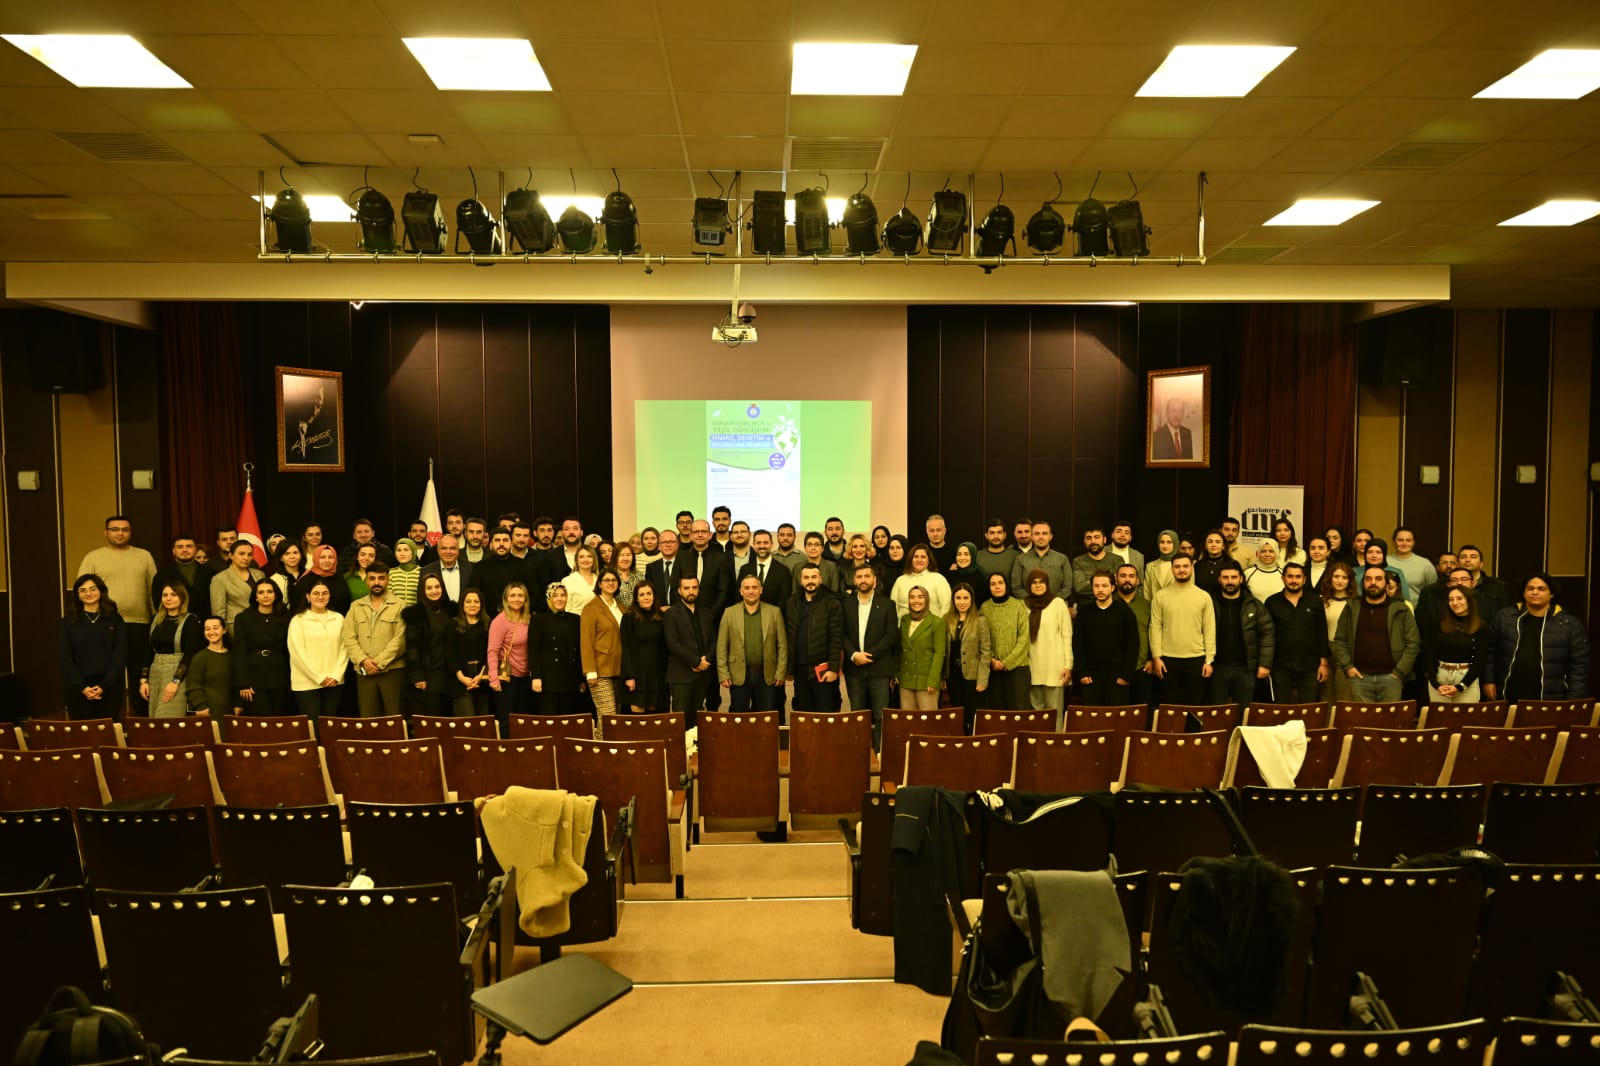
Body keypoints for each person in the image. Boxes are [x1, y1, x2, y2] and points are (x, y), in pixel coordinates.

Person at [77, 514, 157, 715]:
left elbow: (153, 591)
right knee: (110, 672)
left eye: (125, 529)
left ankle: (141, 720)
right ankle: (112, 720)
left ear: (130, 532)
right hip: (104, 624)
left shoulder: (144, 556)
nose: (120, 533)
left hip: (140, 623)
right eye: (115, 529)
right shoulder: (93, 558)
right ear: (106, 533)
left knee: (140, 673)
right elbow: (82, 590)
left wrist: (156, 619)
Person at [1488, 572, 1591, 701]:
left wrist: (1574, 698)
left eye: (1541, 589)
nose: (1535, 592)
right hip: (1508, 694)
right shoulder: (1504, 617)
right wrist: (1488, 681)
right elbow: (1489, 652)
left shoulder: (1569, 624)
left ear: (1551, 594)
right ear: (1524, 593)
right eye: (1530, 588)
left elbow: (1580, 666)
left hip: (1552, 697)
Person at [1331, 565, 1420, 703]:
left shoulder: (1401, 609)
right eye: (1368, 579)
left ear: (1386, 584)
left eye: (1378, 579)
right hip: (1359, 677)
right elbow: (1340, 640)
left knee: (1390, 717)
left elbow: (1413, 644)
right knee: (1362, 716)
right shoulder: (1351, 607)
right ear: (1363, 583)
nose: (1373, 582)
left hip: (1392, 678)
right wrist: (1348, 667)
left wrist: (1399, 672)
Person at [341, 561, 408, 717]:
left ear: (388, 580)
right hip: (364, 671)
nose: (377, 582)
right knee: (368, 717)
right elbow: (348, 637)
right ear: (366, 581)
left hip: (392, 671)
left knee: (393, 718)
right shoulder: (356, 606)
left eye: (381, 578)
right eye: (372, 578)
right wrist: (363, 661)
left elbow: (401, 639)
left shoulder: (400, 605)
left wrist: (378, 663)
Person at [843, 562, 900, 744]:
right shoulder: (845, 603)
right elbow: (840, 633)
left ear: (875, 580)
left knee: (880, 715)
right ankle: (858, 752)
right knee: (858, 715)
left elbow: (891, 635)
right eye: (859, 577)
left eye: (867, 576)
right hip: (854, 668)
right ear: (854, 581)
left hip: (879, 668)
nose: (863, 580)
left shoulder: (887, 604)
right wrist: (854, 655)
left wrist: (869, 655)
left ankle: (880, 752)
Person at [59, 573, 128, 719]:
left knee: (108, 730)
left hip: (110, 687)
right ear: (77, 595)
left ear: (101, 591)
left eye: (93, 589)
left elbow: (120, 654)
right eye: (82, 590)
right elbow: (64, 656)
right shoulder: (69, 621)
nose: (88, 593)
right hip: (78, 688)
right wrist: (81, 686)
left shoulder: (115, 619)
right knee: (83, 731)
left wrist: (105, 685)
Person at [716, 574, 787, 712]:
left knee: (765, 716)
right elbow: (722, 646)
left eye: (754, 587)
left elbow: (782, 645)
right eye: (747, 588)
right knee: (739, 716)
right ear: (741, 591)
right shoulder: (729, 613)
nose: (751, 591)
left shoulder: (774, 612)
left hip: (767, 674)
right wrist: (723, 673)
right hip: (738, 674)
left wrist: (780, 672)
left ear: (761, 590)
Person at [1149, 555, 1215, 705]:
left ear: (1192, 568)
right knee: (1170, 707)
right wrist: (1156, 657)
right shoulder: (1161, 596)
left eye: (1185, 566)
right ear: (1172, 569)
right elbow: (1155, 628)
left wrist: (1209, 660)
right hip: (1167, 660)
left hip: (1197, 660)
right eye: (1177, 567)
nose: (1181, 570)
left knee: (1195, 708)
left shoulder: (1203, 596)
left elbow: (1209, 629)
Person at [1209, 561, 1274, 709]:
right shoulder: (1209, 604)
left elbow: (1267, 635)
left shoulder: (1254, 605)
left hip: (1245, 669)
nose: (1230, 581)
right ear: (1219, 579)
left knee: (1244, 712)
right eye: (1225, 577)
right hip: (1217, 668)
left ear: (1241, 579)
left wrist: (1264, 664)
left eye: (1234, 577)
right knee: (1216, 713)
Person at [1263, 563, 1329, 704]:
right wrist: (1266, 664)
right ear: (1283, 578)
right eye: (1290, 576)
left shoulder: (1315, 601)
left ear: (1304, 580)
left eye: (1298, 577)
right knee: (1280, 709)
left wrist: (1323, 664)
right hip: (1280, 665)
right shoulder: (1272, 602)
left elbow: (1322, 633)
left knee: (1308, 708)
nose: (1294, 580)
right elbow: (1266, 635)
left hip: (1310, 665)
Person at [1072, 570, 1139, 708]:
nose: (1100, 589)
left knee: (1116, 717)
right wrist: (1082, 672)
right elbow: (1077, 645)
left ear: (1112, 587)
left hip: (1118, 675)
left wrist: (1126, 674)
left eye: (1104, 585)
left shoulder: (1125, 612)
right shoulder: (1084, 613)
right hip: (1090, 676)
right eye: (1096, 586)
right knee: (1093, 717)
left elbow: (1133, 645)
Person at [140, 581, 203, 719]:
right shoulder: (156, 619)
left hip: (176, 672)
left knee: (167, 718)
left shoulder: (190, 620)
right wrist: (143, 680)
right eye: (165, 595)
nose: (168, 598)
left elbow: (190, 654)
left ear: (182, 598)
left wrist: (175, 681)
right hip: (155, 672)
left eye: (173, 595)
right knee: (154, 719)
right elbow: (148, 650)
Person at [287, 578, 348, 720]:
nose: (320, 597)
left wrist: (336, 675)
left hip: (334, 682)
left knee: (330, 724)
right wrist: (319, 678)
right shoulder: (298, 620)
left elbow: (345, 649)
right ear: (308, 596)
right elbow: (298, 654)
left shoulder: (339, 618)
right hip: (306, 683)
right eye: (316, 593)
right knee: (312, 725)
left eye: (325, 593)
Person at [787, 563, 844, 713]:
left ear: (821, 579)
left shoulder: (832, 603)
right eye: (806, 577)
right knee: (804, 713)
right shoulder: (792, 602)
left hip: (823, 669)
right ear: (800, 581)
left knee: (826, 713)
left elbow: (836, 638)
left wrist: (833, 669)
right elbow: (789, 635)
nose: (810, 581)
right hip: (800, 669)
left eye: (814, 577)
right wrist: (789, 668)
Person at [1421, 586, 1490, 704]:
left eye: (1459, 598)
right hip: (1440, 676)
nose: (1455, 602)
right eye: (1451, 599)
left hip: (1466, 678)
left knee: (1465, 715)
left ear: (1469, 600)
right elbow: (1430, 654)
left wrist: (1461, 686)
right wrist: (1435, 683)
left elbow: (1480, 660)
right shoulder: (1439, 625)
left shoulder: (1481, 627)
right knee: (1440, 716)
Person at [234, 578, 293, 715]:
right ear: (255, 596)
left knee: (280, 718)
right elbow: (239, 652)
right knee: (261, 719)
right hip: (254, 675)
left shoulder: (287, 617)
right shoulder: (243, 618)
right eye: (261, 592)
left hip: (280, 674)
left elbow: (290, 650)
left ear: (276, 595)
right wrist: (243, 683)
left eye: (269, 592)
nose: (265, 595)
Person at [663, 574, 714, 727]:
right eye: (686, 588)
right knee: (680, 720)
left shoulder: (705, 612)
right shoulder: (671, 613)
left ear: (698, 589)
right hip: (681, 675)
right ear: (679, 591)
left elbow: (713, 640)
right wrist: (696, 662)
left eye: (694, 587)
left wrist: (706, 660)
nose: (690, 591)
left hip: (703, 674)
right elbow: (673, 644)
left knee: (698, 720)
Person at [403, 573, 457, 718]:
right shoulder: (416, 614)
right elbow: (412, 649)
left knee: (450, 720)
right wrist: (418, 677)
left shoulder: (452, 610)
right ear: (422, 590)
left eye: (437, 587)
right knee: (431, 719)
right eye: (429, 588)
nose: (434, 591)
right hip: (428, 674)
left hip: (451, 674)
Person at [1024, 569, 1073, 726]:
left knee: (1055, 714)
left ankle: (1056, 741)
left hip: (1054, 667)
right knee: (1036, 715)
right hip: (1032, 666)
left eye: (1041, 582)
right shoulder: (1023, 605)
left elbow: (1067, 635)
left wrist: (1068, 665)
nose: (1038, 585)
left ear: (1047, 584)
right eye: (1034, 582)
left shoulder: (1058, 603)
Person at [980, 570, 1031, 711]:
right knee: (998, 713)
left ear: (1006, 585)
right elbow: (981, 638)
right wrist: (992, 660)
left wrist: (1007, 662)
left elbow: (1024, 638)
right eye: (993, 584)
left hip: (1017, 668)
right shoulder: (984, 608)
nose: (997, 587)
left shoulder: (1018, 606)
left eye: (1000, 583)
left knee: (1017, 712)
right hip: (993, 669)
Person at [530, 584, 584, 715]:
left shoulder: (575, 619)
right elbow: (534, 650)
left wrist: (581, 679)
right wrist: (536, 677)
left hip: (570, 679)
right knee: (549, 720)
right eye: (555, 595)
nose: (559, 599)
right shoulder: (539, 619)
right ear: (548, 597)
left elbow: (579, 650)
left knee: (567, 720)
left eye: (563, 595)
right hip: (548, 680)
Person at [581, 569, 627, 723]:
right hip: (600, 671)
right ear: (599, 584)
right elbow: (586, 641)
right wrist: (590, 671)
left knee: (616, 717)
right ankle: (602, 740)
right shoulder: (591, 608)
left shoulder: (621, 606)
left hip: (620, 669)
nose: (611, 583)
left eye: (614, 580)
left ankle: (605, 739)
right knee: (608, 717)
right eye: (607, 580)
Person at [944, 583, 991, 732]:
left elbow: (986, 652)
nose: (962, 602)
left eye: (966, 598)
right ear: (953, 600)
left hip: (972, 678)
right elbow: (944, 650)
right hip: (953, 676)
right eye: (958, 598)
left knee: (972, 716)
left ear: (971, 600)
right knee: (957, 716)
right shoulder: (946, 620)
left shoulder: (980, 621)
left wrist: (982, 679)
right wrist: (942, 676)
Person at [487, 582, 534, 729]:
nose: (516, 599)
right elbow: (492, 651)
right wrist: (494, 678)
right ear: (506, 599)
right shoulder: (500, 621)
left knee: (522, 721)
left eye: (520, 595)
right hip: (506, 678)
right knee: (507, 722)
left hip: (525, 677)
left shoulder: (529, 619)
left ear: (525, 599)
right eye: (512, 595)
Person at [897, 586, 947, 711]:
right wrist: (896, 673)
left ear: (927, 600)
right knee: (908, 719)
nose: (916, 601)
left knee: (927, 721)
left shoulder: (937, 622)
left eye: (920, 597)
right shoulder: (904, 620)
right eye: (912, 597)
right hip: (906, 680)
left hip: (926, 682)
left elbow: (939, 653)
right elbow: (900, 648)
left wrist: (933, 681)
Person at [621, 582, 668, 713]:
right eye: (642, 595)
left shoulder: (661, 616)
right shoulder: (629, 617)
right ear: (636, 598)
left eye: (649, 594)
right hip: (636, 674)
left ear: (654, 596)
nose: (646, 597)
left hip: (656, 674)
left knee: (654, 716)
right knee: (638, 715)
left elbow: (664, 647)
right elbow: (626, 647)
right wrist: (629, 676)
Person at [444, 588, 490, 717]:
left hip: (482, 678)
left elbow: (490, 652)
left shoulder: (487, 624)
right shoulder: (453, 625)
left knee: (482, 721)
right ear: (462, 604)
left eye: (476, 601)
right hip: (459, 678)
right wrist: (461, 678)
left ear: (481, 604)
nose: (472, 605)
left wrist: (481, 676)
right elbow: (450, 654)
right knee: (467, 720)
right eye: (468, 601)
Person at [1114, 563, 1155, 708]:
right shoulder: (1108, 603)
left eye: (1131, 576)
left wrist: (1151, 658)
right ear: (1116, 579)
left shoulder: (1147, 605)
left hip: (1142, 667)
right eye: (1123, 576)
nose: (1127, 579)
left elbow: (1153, 633)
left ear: (1138, 581)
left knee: (1142, 712)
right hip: (1115, 669)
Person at [1320, 561, 1358, 701]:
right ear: (1330, 578)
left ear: (1350, 581)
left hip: (1346, 651)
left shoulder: (1356, 603)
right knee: (1326, 697)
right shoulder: (1321, 601)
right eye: (1336, 576)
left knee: (1344, 696)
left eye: (1344, 577)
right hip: (1325, 651)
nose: (1340, 581)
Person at [211, 540, 265, 638]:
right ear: (231, 555)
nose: (246, 558)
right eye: (241, 554)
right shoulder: (220, 578)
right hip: (237, 627)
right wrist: (223, 634)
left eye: (249, 554)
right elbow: (218, 613)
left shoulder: (259, 574)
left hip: (261, 624)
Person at [153, 532, 211, 621]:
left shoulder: (209, 572)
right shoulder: (162, 575)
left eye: (189, 546)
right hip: (174, 621)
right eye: (180, 547)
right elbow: (158, 602)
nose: (185, 550)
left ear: (195, 549)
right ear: (173, 551)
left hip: (205, 623)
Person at [186, 617, 233, 717]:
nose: (211, 632)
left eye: (215, 628)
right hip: (207, 712)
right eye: (207, 629)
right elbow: (192, 686)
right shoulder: (200, 657)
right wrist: (201, 706)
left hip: (230, 712)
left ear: (224, 630)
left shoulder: (232, 656)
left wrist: (238, 704)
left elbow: (236, 683)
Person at [1010, 521, 1070, 599]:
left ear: (1050, 536)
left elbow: (1068, 586)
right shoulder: (1021, 559)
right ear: (1032, 537)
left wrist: (1054, 601)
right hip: (1028, 605)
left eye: (1044, 533)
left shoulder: (1062, 559)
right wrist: (1031, 602)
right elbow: (1016, 587)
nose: (1041, 537)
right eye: (1037, 534)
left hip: (1056, 604)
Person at [891, 544, 952, 619]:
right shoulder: (900, 580)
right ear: (911, 559)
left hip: (932, 625)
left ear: (929, 560)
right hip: (903, 625)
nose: (919, 560)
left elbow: (946, 607)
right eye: (916, 557)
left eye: (923, 557)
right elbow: (893, 608)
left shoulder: (939, 579)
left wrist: (939, 625)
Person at [419, 533, 474, 604]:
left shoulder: (471, 568)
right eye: (444, 548)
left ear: (458, 550)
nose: (448, 552)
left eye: (452, 548)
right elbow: (421, 600)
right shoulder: (426, 571)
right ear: (438, 550)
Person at [296, 544, 350, 616]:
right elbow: (298, 606)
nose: (327, 561)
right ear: (316, 558)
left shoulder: (339, 577)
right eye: (322, 557)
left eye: (331, 557)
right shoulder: (306, 580)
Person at [1068, 526, 1113, 606]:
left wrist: (1089, 582)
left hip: (1111, 606)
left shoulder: (1116, 560)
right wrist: (1105, 585)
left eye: (1097, 537)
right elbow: (1080, 588)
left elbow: (1117, 586)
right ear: (1084, 541)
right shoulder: (1078, 561)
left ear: (1105, 539)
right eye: (1089, 538)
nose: (1093, 541)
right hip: (1085, 606)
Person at [974, 519, 1019, 600]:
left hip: (1011, 602)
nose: (996, 536)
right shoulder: (977, 556)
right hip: (983, 602)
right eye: (992, 533)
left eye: (999, 532)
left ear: (1005, 535)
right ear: (986, 535)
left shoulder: (1016, 555)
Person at [1388, 527, 1434, 605]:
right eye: (1400, 540)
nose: (1404, 543)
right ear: (1393, 542)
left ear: (1413, 543)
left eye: (1408, 540)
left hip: (1417, 610)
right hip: (1389, 608)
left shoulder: (1425, 564)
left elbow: (1432, 592)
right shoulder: (1385, 561)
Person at [562, 545, 601, 617]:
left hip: (598, 621)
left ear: (594, 559)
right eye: (581, 557)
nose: (585, 560)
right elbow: (566, 608)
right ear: (576, 560)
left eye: (589, 556)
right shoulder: (568, 581)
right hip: (576, 621)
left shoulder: (599, 579)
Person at [1144, 529, 1180, 601]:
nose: (1165, 545)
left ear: (1175, 543)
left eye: (1169, 542)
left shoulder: (1183, 565)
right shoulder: (1150, 566)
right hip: (1155, 606)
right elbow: (1147, 593)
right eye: (1162, 542)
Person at [387, 538, 422, 607]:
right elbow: (387, 599)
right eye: (398, 550)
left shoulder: (422, 572)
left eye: (406, 550)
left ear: (413, 551)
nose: (402, 554)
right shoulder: (391, 573)